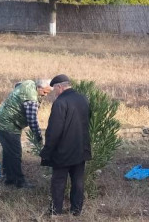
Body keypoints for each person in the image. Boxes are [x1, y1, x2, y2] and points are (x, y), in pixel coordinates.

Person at [39, 74, 91, 216]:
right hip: (81, 148)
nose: (54, 92)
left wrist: (47, 150)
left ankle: (56, 211)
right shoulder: (83, 99)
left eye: (55, 89)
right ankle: (76, 210)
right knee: (78, 181)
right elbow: (87, 122)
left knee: (58, 182)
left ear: (60, 87)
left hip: (63, 151)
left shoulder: (60, 102)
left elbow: (54, 131)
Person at [0, 79, 52, 188]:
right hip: (8, 124)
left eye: (48, 93)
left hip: (1, 119)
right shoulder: (31, 100)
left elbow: (17, 85)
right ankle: (19, 182)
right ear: (39, 87)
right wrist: (38, 138)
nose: (45, 95)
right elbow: (32, 120)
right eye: (44, 92)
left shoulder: (29, 83)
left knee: (8, 151)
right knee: (15, 153)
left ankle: (8, 178)